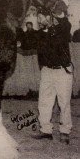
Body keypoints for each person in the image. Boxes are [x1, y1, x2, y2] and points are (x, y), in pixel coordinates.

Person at [20, 12, 73, 145]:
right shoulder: (39, 34)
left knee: (64, 102)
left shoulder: (62, 29)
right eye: (37, 17)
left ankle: (65, 131)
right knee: (44, 101)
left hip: (63, 70)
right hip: (47, 71)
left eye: (41, 16)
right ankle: (46, 131)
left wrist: (59, 16)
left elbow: (66, 25)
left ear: (50, 17)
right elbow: (26, 44)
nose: (39, 19)